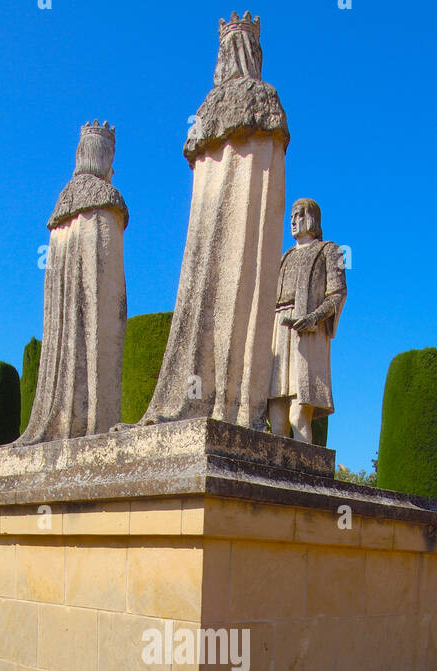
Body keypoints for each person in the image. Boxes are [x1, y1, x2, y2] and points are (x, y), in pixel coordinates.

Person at [140, 12, 288, 431]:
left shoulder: (210, 107)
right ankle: (234, 404)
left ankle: (228, 402)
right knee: (230, 295)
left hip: (211, 230)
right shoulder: (263, 96)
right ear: (254, 52)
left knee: (206, 296)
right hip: (237, 227)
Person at [18, 121, 128, 443]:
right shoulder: (107, 198)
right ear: (104, 157)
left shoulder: (62, 206)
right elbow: (109, 293)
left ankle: (63, 421)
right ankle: (95, 423)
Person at [268, 198, 347, 444]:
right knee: (277, 417)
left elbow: (337, 295)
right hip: (278, 328)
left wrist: (313, 317)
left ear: (311, 218)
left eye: (298, 215)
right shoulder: (284, 257)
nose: (292, 221)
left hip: (308, 333)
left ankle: (302, 476)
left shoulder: (329, 250)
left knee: (298, 415)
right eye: (291, 216)